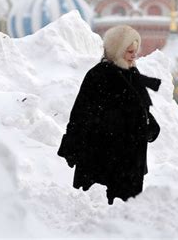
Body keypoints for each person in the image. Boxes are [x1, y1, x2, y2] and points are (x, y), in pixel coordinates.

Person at [57, 25, 161, 205]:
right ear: (117, 51)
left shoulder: (131, 75)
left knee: (126, 214)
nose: (133, 56)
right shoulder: (98, 76)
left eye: (135, 52)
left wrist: (150, 126)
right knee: (101, 214)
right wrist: (73, 145)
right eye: (129, 51)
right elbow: (81, 114)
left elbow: (141, 108)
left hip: (129, 163)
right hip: (102, 159)